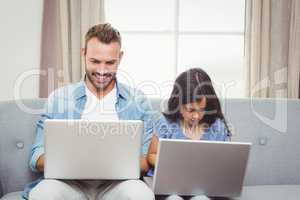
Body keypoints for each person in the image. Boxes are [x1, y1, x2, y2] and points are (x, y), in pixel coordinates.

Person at [22, 23, 157, 200]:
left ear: (120, 57)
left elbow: (147, 160)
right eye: (95, 61)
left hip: (118, 185)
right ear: (83, 53)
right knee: (43, 194)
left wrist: (103, 164)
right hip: (68, 184)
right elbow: (36, 157)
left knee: (141, 195)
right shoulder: (59, 99)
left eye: (110, 62)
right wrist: (73, 162)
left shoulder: (137, 101)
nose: (102, 70)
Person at [146, 68, 231, 200]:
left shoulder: (217, 127)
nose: (196, 116)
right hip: (170, 186)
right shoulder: (166, 124)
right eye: (190, 110)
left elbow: (227, 160)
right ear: (178, 104)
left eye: (202, 109)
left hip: (204, 188)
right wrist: (170, 164)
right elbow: (151, 155)